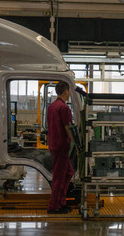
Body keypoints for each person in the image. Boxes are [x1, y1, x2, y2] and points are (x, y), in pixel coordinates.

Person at [47, 81, 74, 214]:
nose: (69, 93)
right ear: (65, 92)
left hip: (54, 144)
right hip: (62, 146)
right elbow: (68, 128)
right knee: (58, 177)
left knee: (69, 173)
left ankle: (61, 202)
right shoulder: (63, 108)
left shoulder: (52, 106)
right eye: (69, 91)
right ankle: (54, 206)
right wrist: (76, 142)